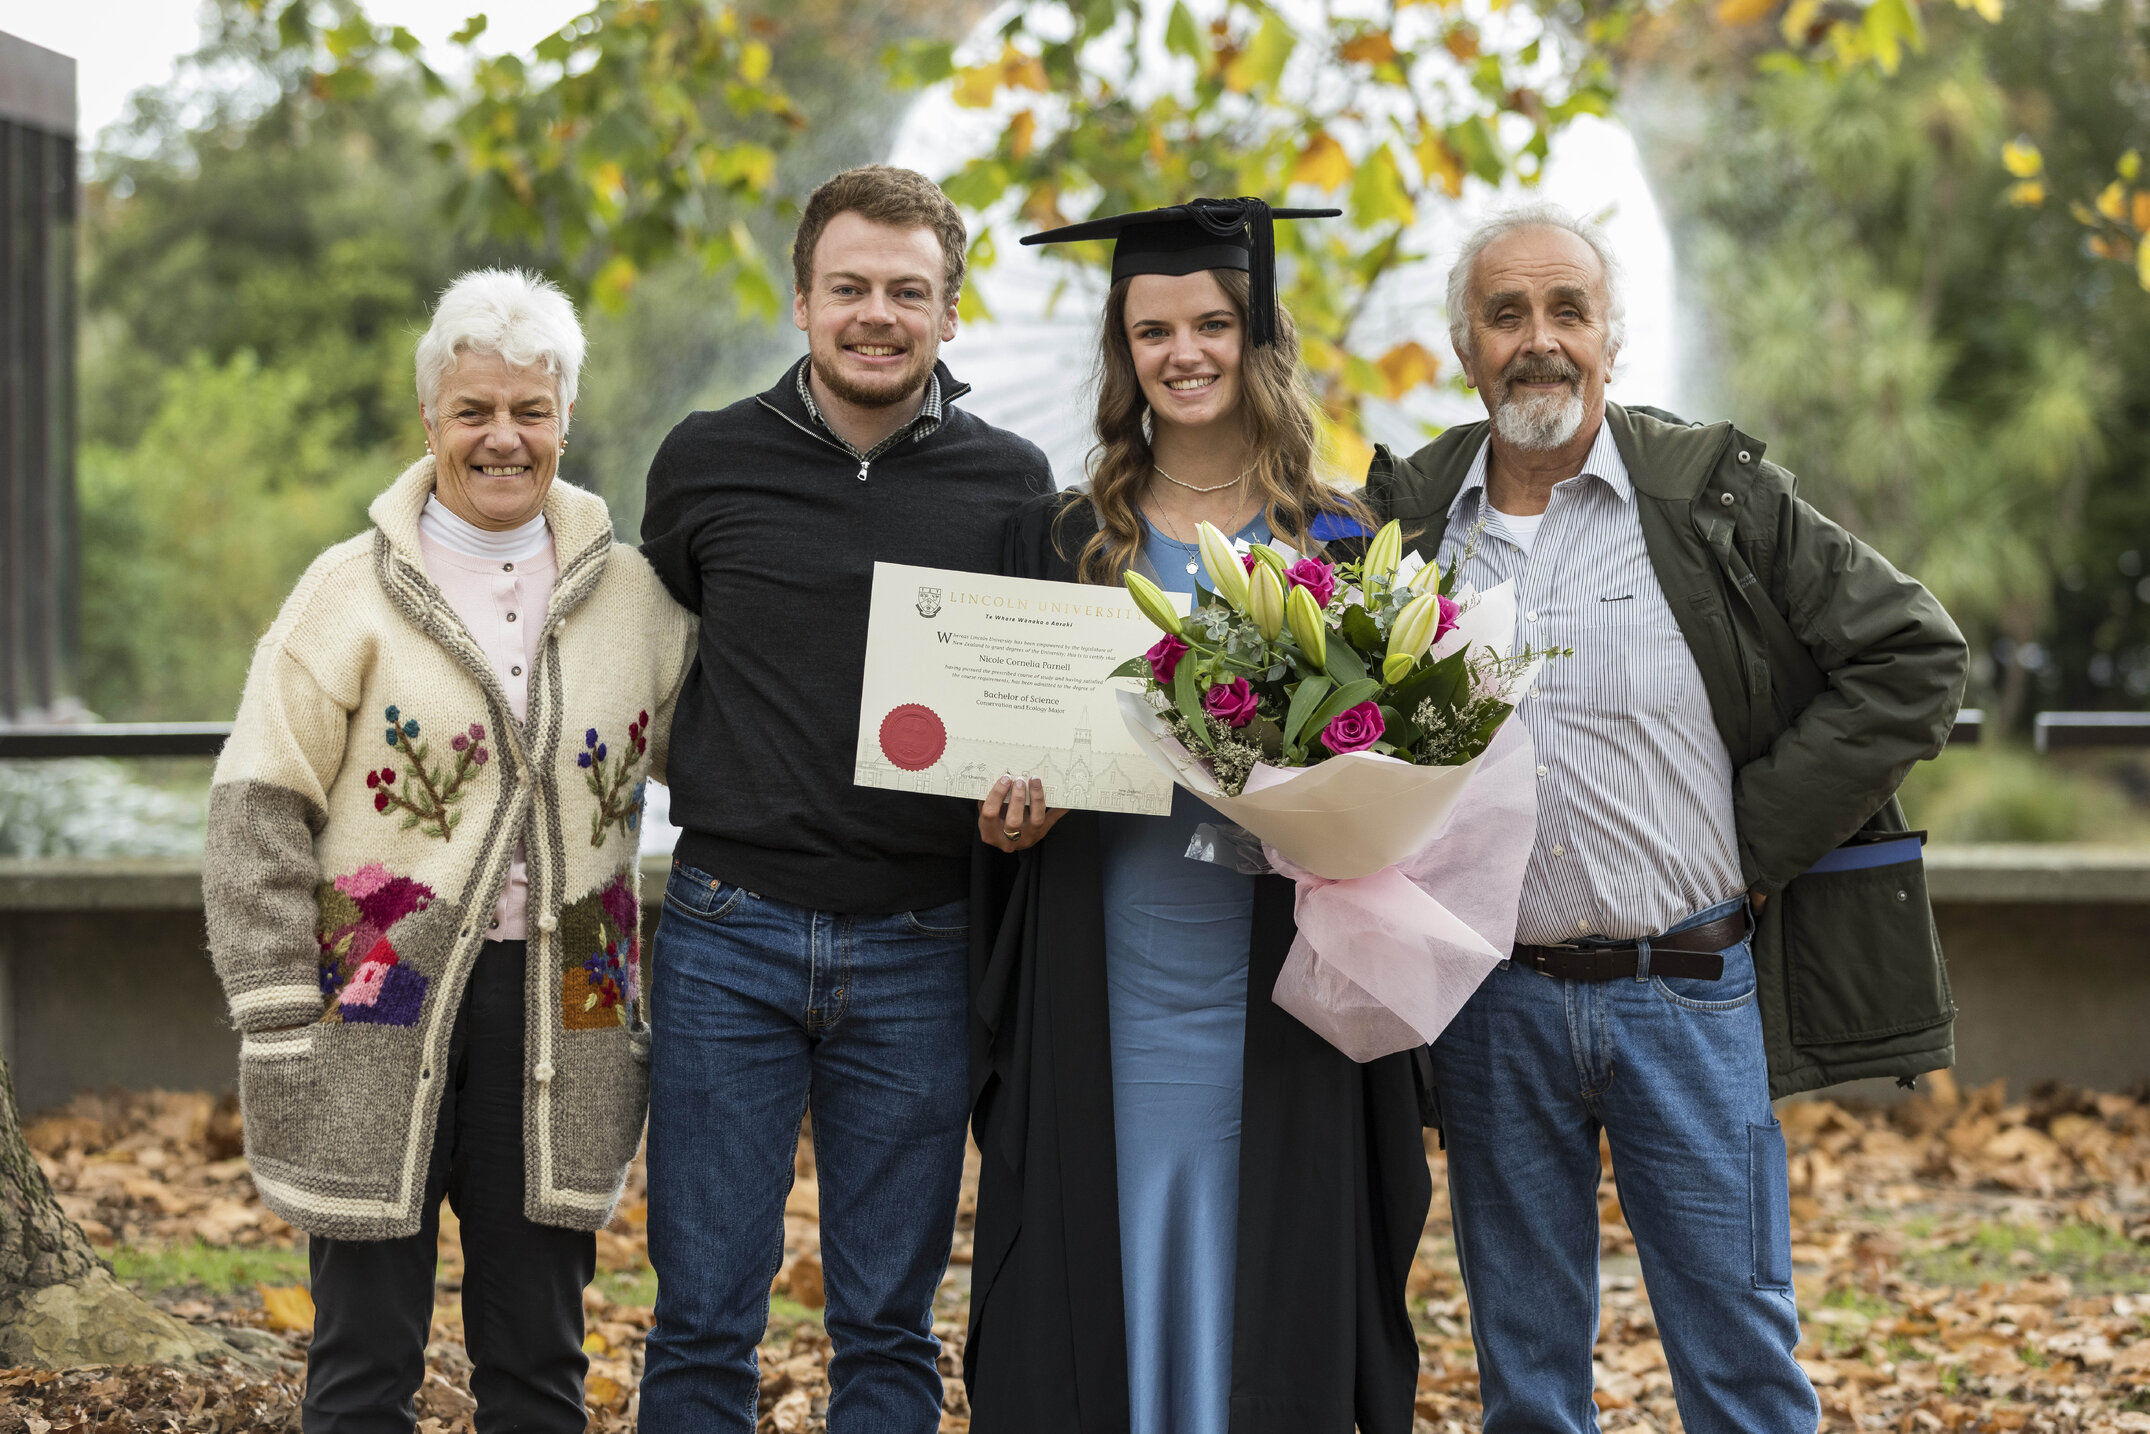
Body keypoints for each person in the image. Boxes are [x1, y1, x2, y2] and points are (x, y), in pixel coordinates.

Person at [1364, 202, 1968, 1434]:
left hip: (1688, 991)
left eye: (1566, 311)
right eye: (1505, 314)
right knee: (1526, 1381)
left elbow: (1911, 656)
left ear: (1611, 339)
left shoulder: (1712, 498)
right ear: (1464, 348)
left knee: (1740, 1365)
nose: (1538, 340)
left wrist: (1748, 845)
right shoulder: (1407, 525)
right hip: (1492, 1005)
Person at [964, 199, 1435, 1434]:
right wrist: (1006, 821)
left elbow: (1393, 772)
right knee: (1107, 1224)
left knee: (1265, 1239)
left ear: (1254, 335)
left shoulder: (1336, 538)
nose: (1183, 352)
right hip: (1104, 957)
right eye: (1152, 329)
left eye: (1211, 323)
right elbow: (1005, 754)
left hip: (1278, 966)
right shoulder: (1061, 541)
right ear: (1122, 352)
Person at [201, 268, 696, 1432]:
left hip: (567, 996)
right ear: (430, 419)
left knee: (540, 1357)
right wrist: (276, 1012)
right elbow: (256, 805)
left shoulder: (634, 597)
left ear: (566, 419)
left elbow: (728, 757)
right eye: (474, 410)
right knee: (363, 1354)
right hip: (378, 987)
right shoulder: (350, 592)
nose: (502, 436)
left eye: (529, 410)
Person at [636, 165, 1054, 1433]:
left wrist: (1031, 800)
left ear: (950, 308)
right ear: (802, 299)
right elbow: (636, 659)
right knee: (703, 1312)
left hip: (922, 939)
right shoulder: (705, 460)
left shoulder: (1012, 481)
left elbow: (1029, 707)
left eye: (907, 292)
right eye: (851, 288)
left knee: (889, 1321)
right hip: (726, 928)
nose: (878, 315)